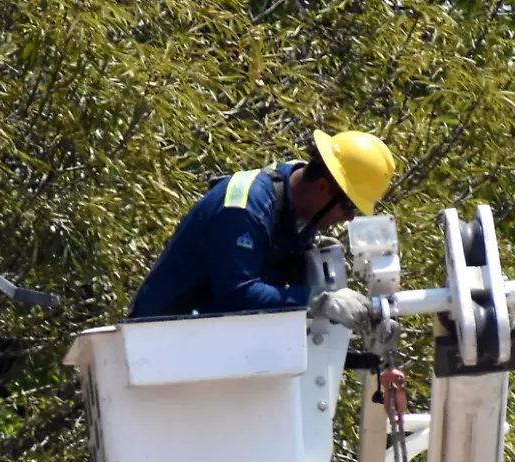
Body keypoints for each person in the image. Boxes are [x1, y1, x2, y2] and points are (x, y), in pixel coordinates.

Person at [127, 129, 394, 330]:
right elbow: (238, 293)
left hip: (204, 339)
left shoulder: (291, 200)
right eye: (348, 206)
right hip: (163, 337)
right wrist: (320, 300)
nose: (347, 218)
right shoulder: (244, 208)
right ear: (324, 187)